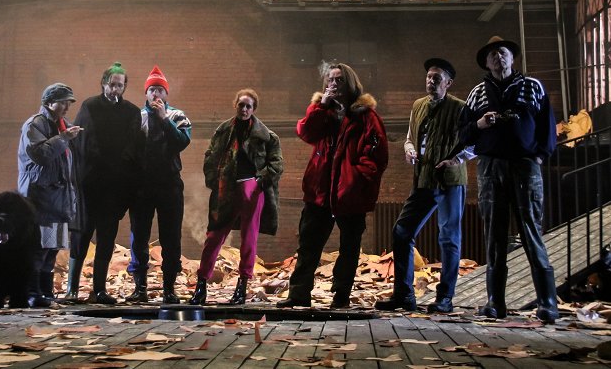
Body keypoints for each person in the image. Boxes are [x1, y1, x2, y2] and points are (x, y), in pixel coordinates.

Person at [459, 36, 559, 323]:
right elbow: (463, 132)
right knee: (494, 233)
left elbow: (547, 126)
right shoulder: (477, 93)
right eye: (492, 54)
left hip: (524, 166)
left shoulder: (533, 86)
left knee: (531, 230)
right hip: (490, 167)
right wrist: (479, 124)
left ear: (512, 58)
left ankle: (547, 302)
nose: (498, 57)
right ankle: (495, 302)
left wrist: (539, 156)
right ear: (486, 62)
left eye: (502, 52)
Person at [277, 62, 388, 309]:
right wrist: (320, 106)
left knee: (349, 248)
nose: (333, 84)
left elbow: (377, 155)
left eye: (339, 80)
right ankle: (298, 294)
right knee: (308, 245)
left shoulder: (366, 116)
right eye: (330, 80)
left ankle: (341, 296)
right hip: (320, 192)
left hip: (350, 194)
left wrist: (356, 179)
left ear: (350, 84)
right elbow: (305, 132)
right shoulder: (322, 111)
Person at [375, 58, 473, 313]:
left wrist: (456, 160)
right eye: (429, 77)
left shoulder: (460, 108)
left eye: (437, 78)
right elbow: (410, 137)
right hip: (424, 178)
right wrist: (409, 150)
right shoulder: (418, 105)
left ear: (448, 83)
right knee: (402, 231)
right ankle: (404, 295)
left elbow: (475, 142)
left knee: (449, 238)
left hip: (451, 181)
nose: (431, 81)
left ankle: (445, 298)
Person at [189, 89, 283, 305]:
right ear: (236, 105)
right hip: (226, 188)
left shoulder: (266, 136)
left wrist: (259, 182)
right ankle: (201, 285)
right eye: (241, 105)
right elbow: (210, 156)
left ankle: (242, 286)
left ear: (254, 109)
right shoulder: (223, 130)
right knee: (214, 236)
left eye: (249, 106)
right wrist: (213, 180)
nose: (244, 109)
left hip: (252, 189)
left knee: (249, 239)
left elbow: (276, 165)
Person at [71, 62, 144, 304]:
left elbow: (134, 148)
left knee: (106, 238)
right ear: (104, 84)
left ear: (124, 87)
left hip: (115, 189)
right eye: (112, 85)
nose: (115, 89)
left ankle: (99, 290)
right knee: (81, 235)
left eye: (119, 86)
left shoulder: (132, 112)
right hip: (90, 185)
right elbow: (81, 142)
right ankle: (72, 289)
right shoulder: (89, 106)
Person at [126, 66, 192, 304]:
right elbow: (128, 151)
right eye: (152, 90)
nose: (155, 94)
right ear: (146, 93)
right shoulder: (137, 117)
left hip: (169, 185)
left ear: (166, 94)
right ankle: (140, 288)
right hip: (142, 186)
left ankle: (169, 289)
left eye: (160, 90)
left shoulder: (177, 116)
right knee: (139, 236)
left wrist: (164, 119)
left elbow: (181, 142)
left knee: (171, 237)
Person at [18, 82, 82, 308]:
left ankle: (45, 292)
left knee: (52, 249)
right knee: (39, 248)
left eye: (69, 103)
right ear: (49, 102)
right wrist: (64, 138)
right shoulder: (35, 124)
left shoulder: (61, 125)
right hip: (40, 199)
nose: (67, 107)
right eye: (63, 102)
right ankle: (33, 293)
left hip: (58, 199)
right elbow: (40, 154)